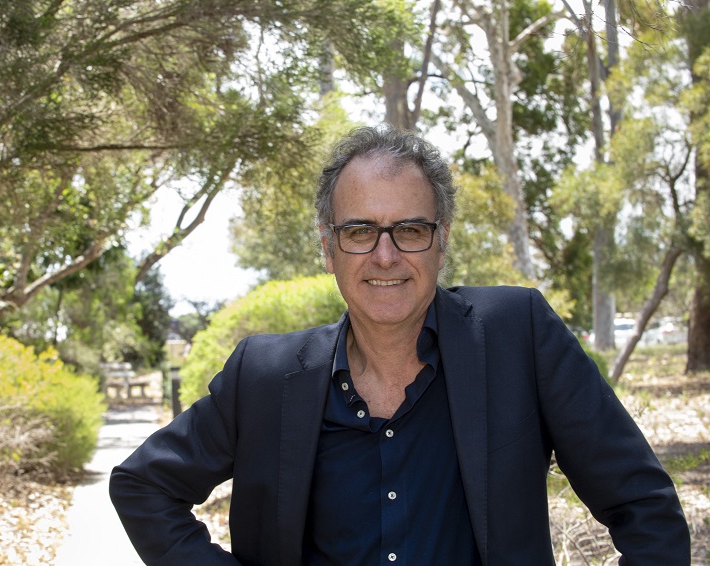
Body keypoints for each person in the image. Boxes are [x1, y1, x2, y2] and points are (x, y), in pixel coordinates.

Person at [110, 125, 690, 565]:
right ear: (327, 247)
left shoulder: (518, 333)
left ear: (440, 241)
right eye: (359, 231)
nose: (385, 256)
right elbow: (143, 484)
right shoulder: (263, 375)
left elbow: (644, 506)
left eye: (409, 230)